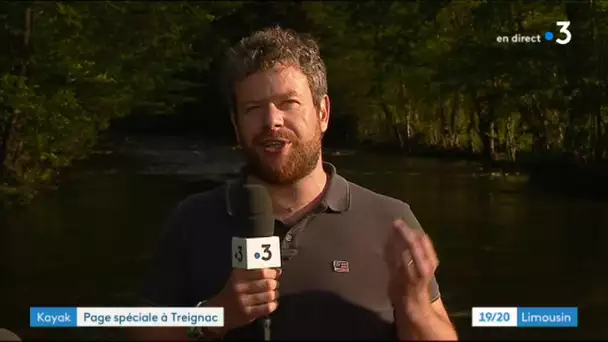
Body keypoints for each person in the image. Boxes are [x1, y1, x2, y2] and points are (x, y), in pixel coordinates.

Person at [134, 27, 458, 341]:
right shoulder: (193, 219)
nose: (271, 121)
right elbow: (143, 332)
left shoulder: (390, 220)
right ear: (236, 125)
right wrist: (215, 315)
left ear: (323, 113)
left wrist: (415, 308)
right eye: (253, 109)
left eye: (288, 103)